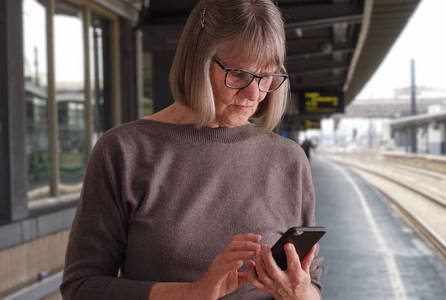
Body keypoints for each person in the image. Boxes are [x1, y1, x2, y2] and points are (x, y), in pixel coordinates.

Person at [60, 0, 323, 299]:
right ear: (197, 62)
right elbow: (81, 287)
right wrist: (193, 293)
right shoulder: (124, 151)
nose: (255, 94)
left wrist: (299, 293)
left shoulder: (288, 159)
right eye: (238, 73)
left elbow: (311, 283)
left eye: (268, 77)